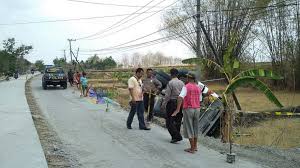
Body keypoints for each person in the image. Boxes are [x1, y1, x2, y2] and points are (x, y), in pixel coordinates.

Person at [172, 72, 202, 154]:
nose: (186, 79)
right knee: (195, 127)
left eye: (187, 78)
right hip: (197, 109)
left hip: (189, 109)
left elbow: (180, 97)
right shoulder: (198, 87)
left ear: (189, 78)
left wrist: (178, 109)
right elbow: (200, 99)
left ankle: (192, 148)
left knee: (189, 128)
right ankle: (195, 146)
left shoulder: (186, 86)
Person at [161, 68, 185, 143]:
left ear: (170, 74)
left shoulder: (170, 83)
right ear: (177, 74)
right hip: (180, 102)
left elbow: (167, 95)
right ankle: (175, 137)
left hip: (172, 103)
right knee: (178, 120)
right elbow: (184, 94)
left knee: (169, 121)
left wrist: (164, 104)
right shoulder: (182, 83)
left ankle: (177, 136)